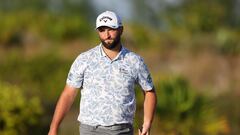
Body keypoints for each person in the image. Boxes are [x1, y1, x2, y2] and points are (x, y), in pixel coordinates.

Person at [48, 10, 157, 135]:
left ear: (121, 30)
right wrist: (54, 127)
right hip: (90, 130)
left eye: (111, 29)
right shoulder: (84, 59)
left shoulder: (135, 61)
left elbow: (149, 91)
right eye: (102, 30)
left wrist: (147, 123)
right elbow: (68, 95)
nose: (107, 35)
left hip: (123, 131)